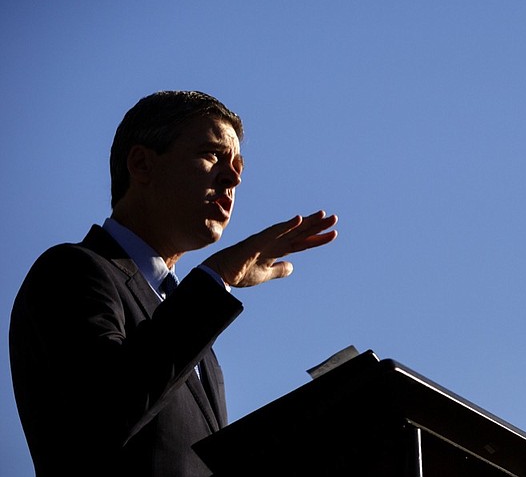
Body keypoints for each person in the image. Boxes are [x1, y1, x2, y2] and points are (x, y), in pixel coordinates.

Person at [9, 91, 338, 477]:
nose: (233, 177)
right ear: (142, 164)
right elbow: (102, 412)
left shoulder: (196, 337)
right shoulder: (71, 271)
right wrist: (219, 274)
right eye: (213, 154)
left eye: (238, 167)